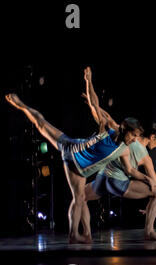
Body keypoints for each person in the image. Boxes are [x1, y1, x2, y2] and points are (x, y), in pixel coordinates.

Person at [5, 67, 143, 243]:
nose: (135, 139)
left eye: (137, 136)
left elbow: (130, 170)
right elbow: (94, 104)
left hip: (74, 145)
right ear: (125, 130)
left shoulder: (125, 148)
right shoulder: (109, 128)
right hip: (75, 162)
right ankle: (73, 235)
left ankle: (86, 234)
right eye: (134, 135)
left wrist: (147, 180)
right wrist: (88, 81)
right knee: (78, 198)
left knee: (81, 198)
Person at [83, 123, 156, 240]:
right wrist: (150, 205)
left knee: (81, 197)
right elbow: (155, 185)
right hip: (117, 183)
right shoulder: (146, 158)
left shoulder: (131, 136)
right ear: (152, 137)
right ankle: (149, 232)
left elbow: (108, 121)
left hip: (102, 178)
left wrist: (95, 107)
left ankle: (87, 234)